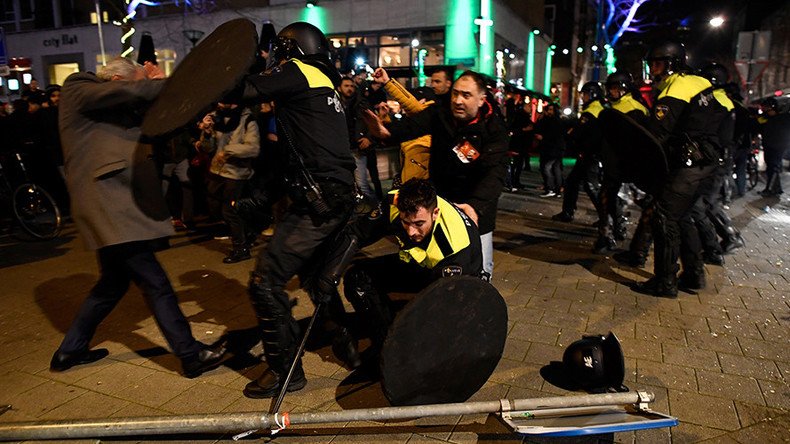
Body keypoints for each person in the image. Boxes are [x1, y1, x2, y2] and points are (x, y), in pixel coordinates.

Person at [51, 57, 226, 377]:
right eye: (132, 85)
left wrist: (165, 94)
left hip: (116, 203)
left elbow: (159, 123)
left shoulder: (117, 104)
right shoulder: (78, 86)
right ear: (116, 80)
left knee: (112, 284)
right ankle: (190, 355)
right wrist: (168, 83)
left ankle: (69, 351)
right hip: (108, 204)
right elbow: (130, 95)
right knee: (154, 281)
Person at [238, 22, 357, 399]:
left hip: (318, 202)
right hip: (338, 196)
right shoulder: (324, 81)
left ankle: (284, 371)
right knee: (313, 275)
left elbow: (244, 89)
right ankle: (345, 341)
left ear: (291, 50)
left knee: (265, 282)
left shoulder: (297, 72)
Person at [364, 69, 508, 279]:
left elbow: (495, 173)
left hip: (475, 209)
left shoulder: (494, 129)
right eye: (455, 93)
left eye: (466, 95)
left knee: (479, 269)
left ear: (481, 99)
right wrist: (387, 133)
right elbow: (414, 123)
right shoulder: (440, 113)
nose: (458, 100)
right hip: (441, 203)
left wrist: (476, 205)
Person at [341, 178, 482, 365]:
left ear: (435, 213)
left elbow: (448, 307)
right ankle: (384, 343)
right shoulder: (395, 203)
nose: (410, 232)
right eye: (405, 222)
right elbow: (359, 232)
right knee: (357, 278)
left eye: (418, 224)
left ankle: (403, 352)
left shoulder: (456, 246)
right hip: (419, 264)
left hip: (453, 278)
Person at [633, 42, 729, 297]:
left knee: (664, 216)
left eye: (657, 63)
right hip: (706, 162)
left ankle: (664, 282)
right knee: (684, 216)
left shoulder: (676, 88)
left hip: (688, 164)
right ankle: (694, 274)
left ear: (671, 64)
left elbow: (657, 134)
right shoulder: (700, 83)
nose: (653, 70)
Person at [203, 101, 261, 263]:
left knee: (229, 210)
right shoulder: (217, 118)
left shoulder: (247, 120)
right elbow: (208, 148)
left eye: (223, 100)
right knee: (214, 205)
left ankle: (241, 248)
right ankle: (248, 233)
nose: (219, 104)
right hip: (217, 170)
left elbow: (253, 148)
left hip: (237, 172)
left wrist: (227, 151)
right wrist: (207, 132)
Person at [553, 82, 605, 229]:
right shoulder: (597, 109)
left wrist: (572, 134)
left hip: (590, 155)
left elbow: (579, 132)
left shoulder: (591, 112)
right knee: (572, 182)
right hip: (590, 155)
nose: (583, 97)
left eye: (586, 93)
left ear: (593, 94)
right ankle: (568, 212)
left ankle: (607, 216)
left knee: (590, 186)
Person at [760, 97, 790, 196]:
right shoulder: (766, 119)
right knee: (771, 167)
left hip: (778, 147)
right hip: (769, 146)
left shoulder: (783, 118)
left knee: (773, 168)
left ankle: (769, 189)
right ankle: (777, 189)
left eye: (767, 108)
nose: (765, 111)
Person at [535, 103, 565, 198]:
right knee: (556, 169)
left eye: (551, 110)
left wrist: (543, 138)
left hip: (553, 149)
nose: (549, 111)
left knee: (547, 168)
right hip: (556, 148)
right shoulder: (556, 120)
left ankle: (550, 188)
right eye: (549, 109)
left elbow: (553, 135)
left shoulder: (554, 121)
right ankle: (557, 190)